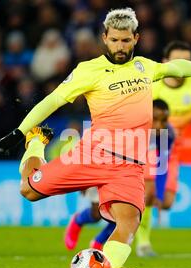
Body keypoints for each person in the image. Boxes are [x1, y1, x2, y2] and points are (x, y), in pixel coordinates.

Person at [0, 7, 191, 268]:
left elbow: (176, 68)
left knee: (129, 220)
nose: (120, 46)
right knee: (28, 190)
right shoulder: (87, 71)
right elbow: (52, 101)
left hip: (129, 166)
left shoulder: (144, 67)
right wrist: (21, 131)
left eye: (126, 40)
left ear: (136, 38)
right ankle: (35, 145)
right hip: (92, 155)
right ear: (104, 37)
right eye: (114, 40)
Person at [64, 99, 177, 259]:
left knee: (126, 211)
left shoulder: (167, 134)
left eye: (164, 120)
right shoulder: (128, 124)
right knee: (97, 213)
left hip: (125, 171)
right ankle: (78, 220)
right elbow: (90, 144)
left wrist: (159, 195)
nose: (159, 125)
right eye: (155, 119)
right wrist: (84, 178)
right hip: (101, 164)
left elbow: (162, 165)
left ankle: (99, 242)